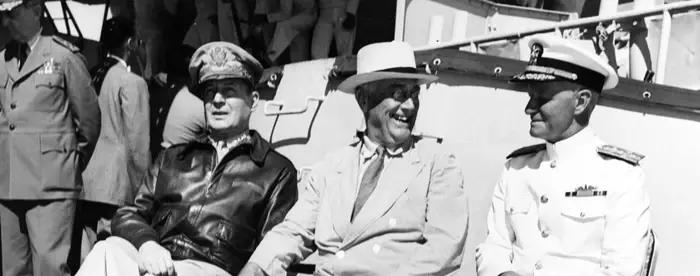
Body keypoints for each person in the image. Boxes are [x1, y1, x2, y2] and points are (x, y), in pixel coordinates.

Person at [239, 41, 469, 276]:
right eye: (399, 93)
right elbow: (293, 231)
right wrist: (257, 266)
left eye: (414, 94)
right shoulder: (331, 166)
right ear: (363, 99)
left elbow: (444, 249)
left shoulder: (436, 163)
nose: (409, 106)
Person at [75, 41, 299, 276]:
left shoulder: (275, 171)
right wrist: (147, 243)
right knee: (105, 251)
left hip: (212, 270)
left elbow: (273, 248)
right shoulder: (173, 157)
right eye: (210, 92)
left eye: (229, 91)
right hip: (158, 260)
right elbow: (129, 213)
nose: (218, 100)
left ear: (253, 100)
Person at [475, 35, 652, 276]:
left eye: (543, 98)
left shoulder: (621, 176)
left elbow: (623, 270)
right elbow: (494, 247)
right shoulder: (515, 169)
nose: (529, 108)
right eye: (530, 96)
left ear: (581, 102)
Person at [0, 0, 101, 275]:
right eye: (4, 15)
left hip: (51, 184)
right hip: (8, 183)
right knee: (12, 269)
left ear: (36, 11)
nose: (6, 21)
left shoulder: (63, 57)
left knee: (49, 268)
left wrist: (65, 164)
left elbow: (89, 123)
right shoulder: (3, 59)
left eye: (12, 13)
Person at [79, 15, 151, 256]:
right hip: (117, 186)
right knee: (112, 255)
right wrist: (144, 190)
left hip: (85, 181)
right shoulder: (132, 82)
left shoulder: (88, 74)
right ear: (130, 43)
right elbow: (138, 145)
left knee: (87, 256)